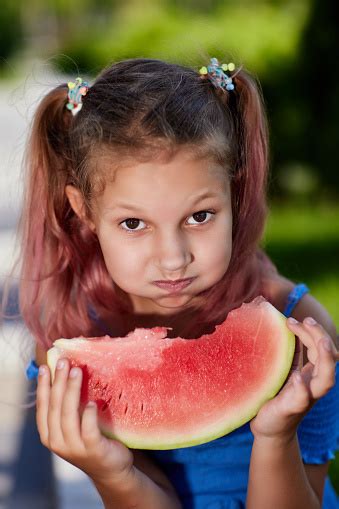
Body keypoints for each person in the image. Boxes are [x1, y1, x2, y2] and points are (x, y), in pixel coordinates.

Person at [17, 57, 338, 508]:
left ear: (235, 193)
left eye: (200, 216)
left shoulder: (298, 328)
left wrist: (276, 433)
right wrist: (112, 472)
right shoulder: (70, 347)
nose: (173, 258)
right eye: (133, 223)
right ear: (84, 211)